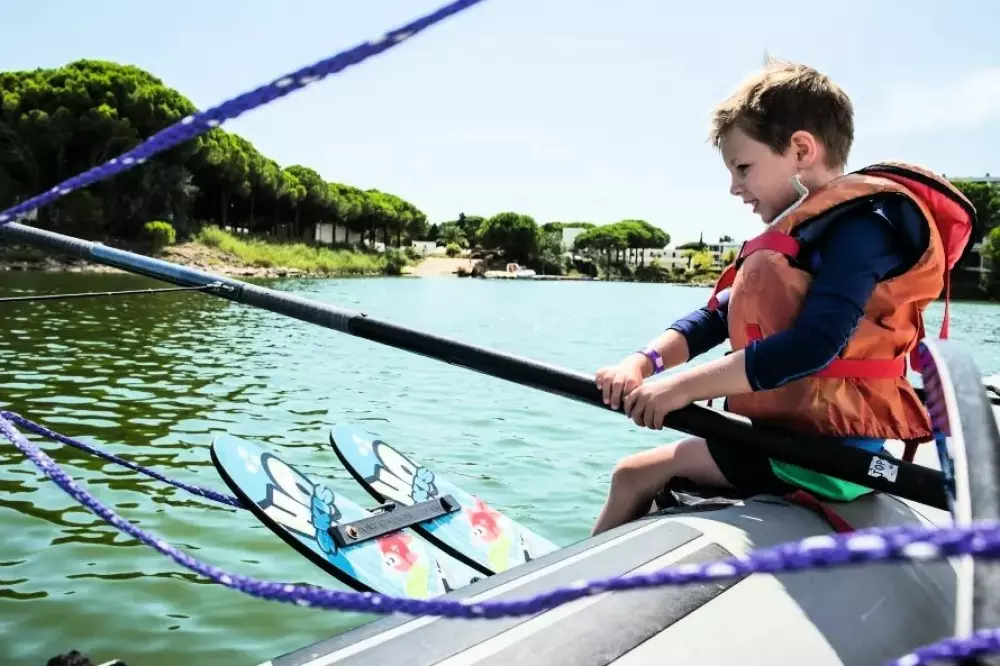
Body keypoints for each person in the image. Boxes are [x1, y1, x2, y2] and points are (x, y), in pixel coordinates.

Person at [590, 57, 974, 536]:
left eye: (743, 168)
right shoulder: (808, 235)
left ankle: (569, 589)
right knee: (657, 469)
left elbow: (815, 345)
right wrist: (644, 363)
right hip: (795, 441)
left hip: (827, 457)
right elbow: (717, 316)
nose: (735, 187)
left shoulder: (865, 227)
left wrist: (681, 387)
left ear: (800, 150)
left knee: (633, 475)